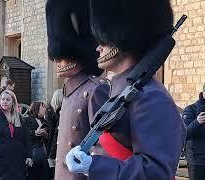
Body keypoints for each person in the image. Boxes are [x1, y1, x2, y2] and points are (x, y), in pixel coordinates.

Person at [65, 0, 187, 179]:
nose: (98, 48)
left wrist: (94, 166)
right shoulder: (123, 91)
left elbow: (155, 172)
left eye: (103, 41)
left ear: (120, 40)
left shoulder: (152, 98)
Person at [45, 1, 110, 180]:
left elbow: (102, 149)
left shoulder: (96, 90)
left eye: (62, 55)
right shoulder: (67, 92)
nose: (57, 60)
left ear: (78, 54)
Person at [0, 90, 32, 180]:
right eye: (3, 99)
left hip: (17, 161)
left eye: (8, 100)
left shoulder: (19, 118)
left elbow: (26, 138)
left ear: (13, 102)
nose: (4, 102)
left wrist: (29, 156)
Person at [182, 83, 205, 180]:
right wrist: (197, 122)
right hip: (197, 161)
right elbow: (184, 133)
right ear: (203, 92)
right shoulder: (190, 109)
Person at [24, 102, 49, 180]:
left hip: (44, 154)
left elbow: (50, 137)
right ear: (36, 108)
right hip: (33, 153)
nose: (45, 109)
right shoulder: (27, 120)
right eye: (43, 107)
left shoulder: (45, 121)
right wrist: (35, 132)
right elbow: (24, 135)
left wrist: (45, 135)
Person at [45, 89, 63, 178]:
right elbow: (54, 135)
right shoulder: (55, 115)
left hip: (53, 150)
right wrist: (51, 156)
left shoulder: (52, 113)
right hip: (54, 151)